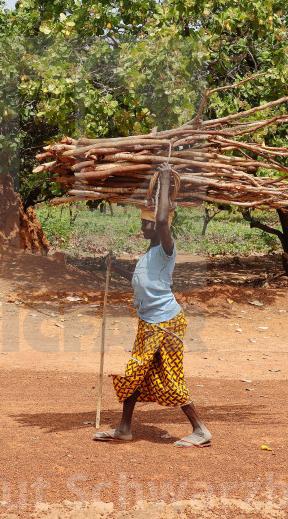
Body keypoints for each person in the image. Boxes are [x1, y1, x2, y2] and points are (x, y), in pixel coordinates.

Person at [93, 163, 212, 448]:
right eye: (142, 223)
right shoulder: (150, 251)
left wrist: (167, 179)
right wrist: (115, 268)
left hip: (166, 323)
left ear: (162, 226)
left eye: (149, 223)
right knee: (138, 373)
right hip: (149, 322)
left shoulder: (167, 247)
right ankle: (124, 428)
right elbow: (142, 280)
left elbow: (161, 223)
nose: (145, 227)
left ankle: (200, 430)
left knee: (167, 376)